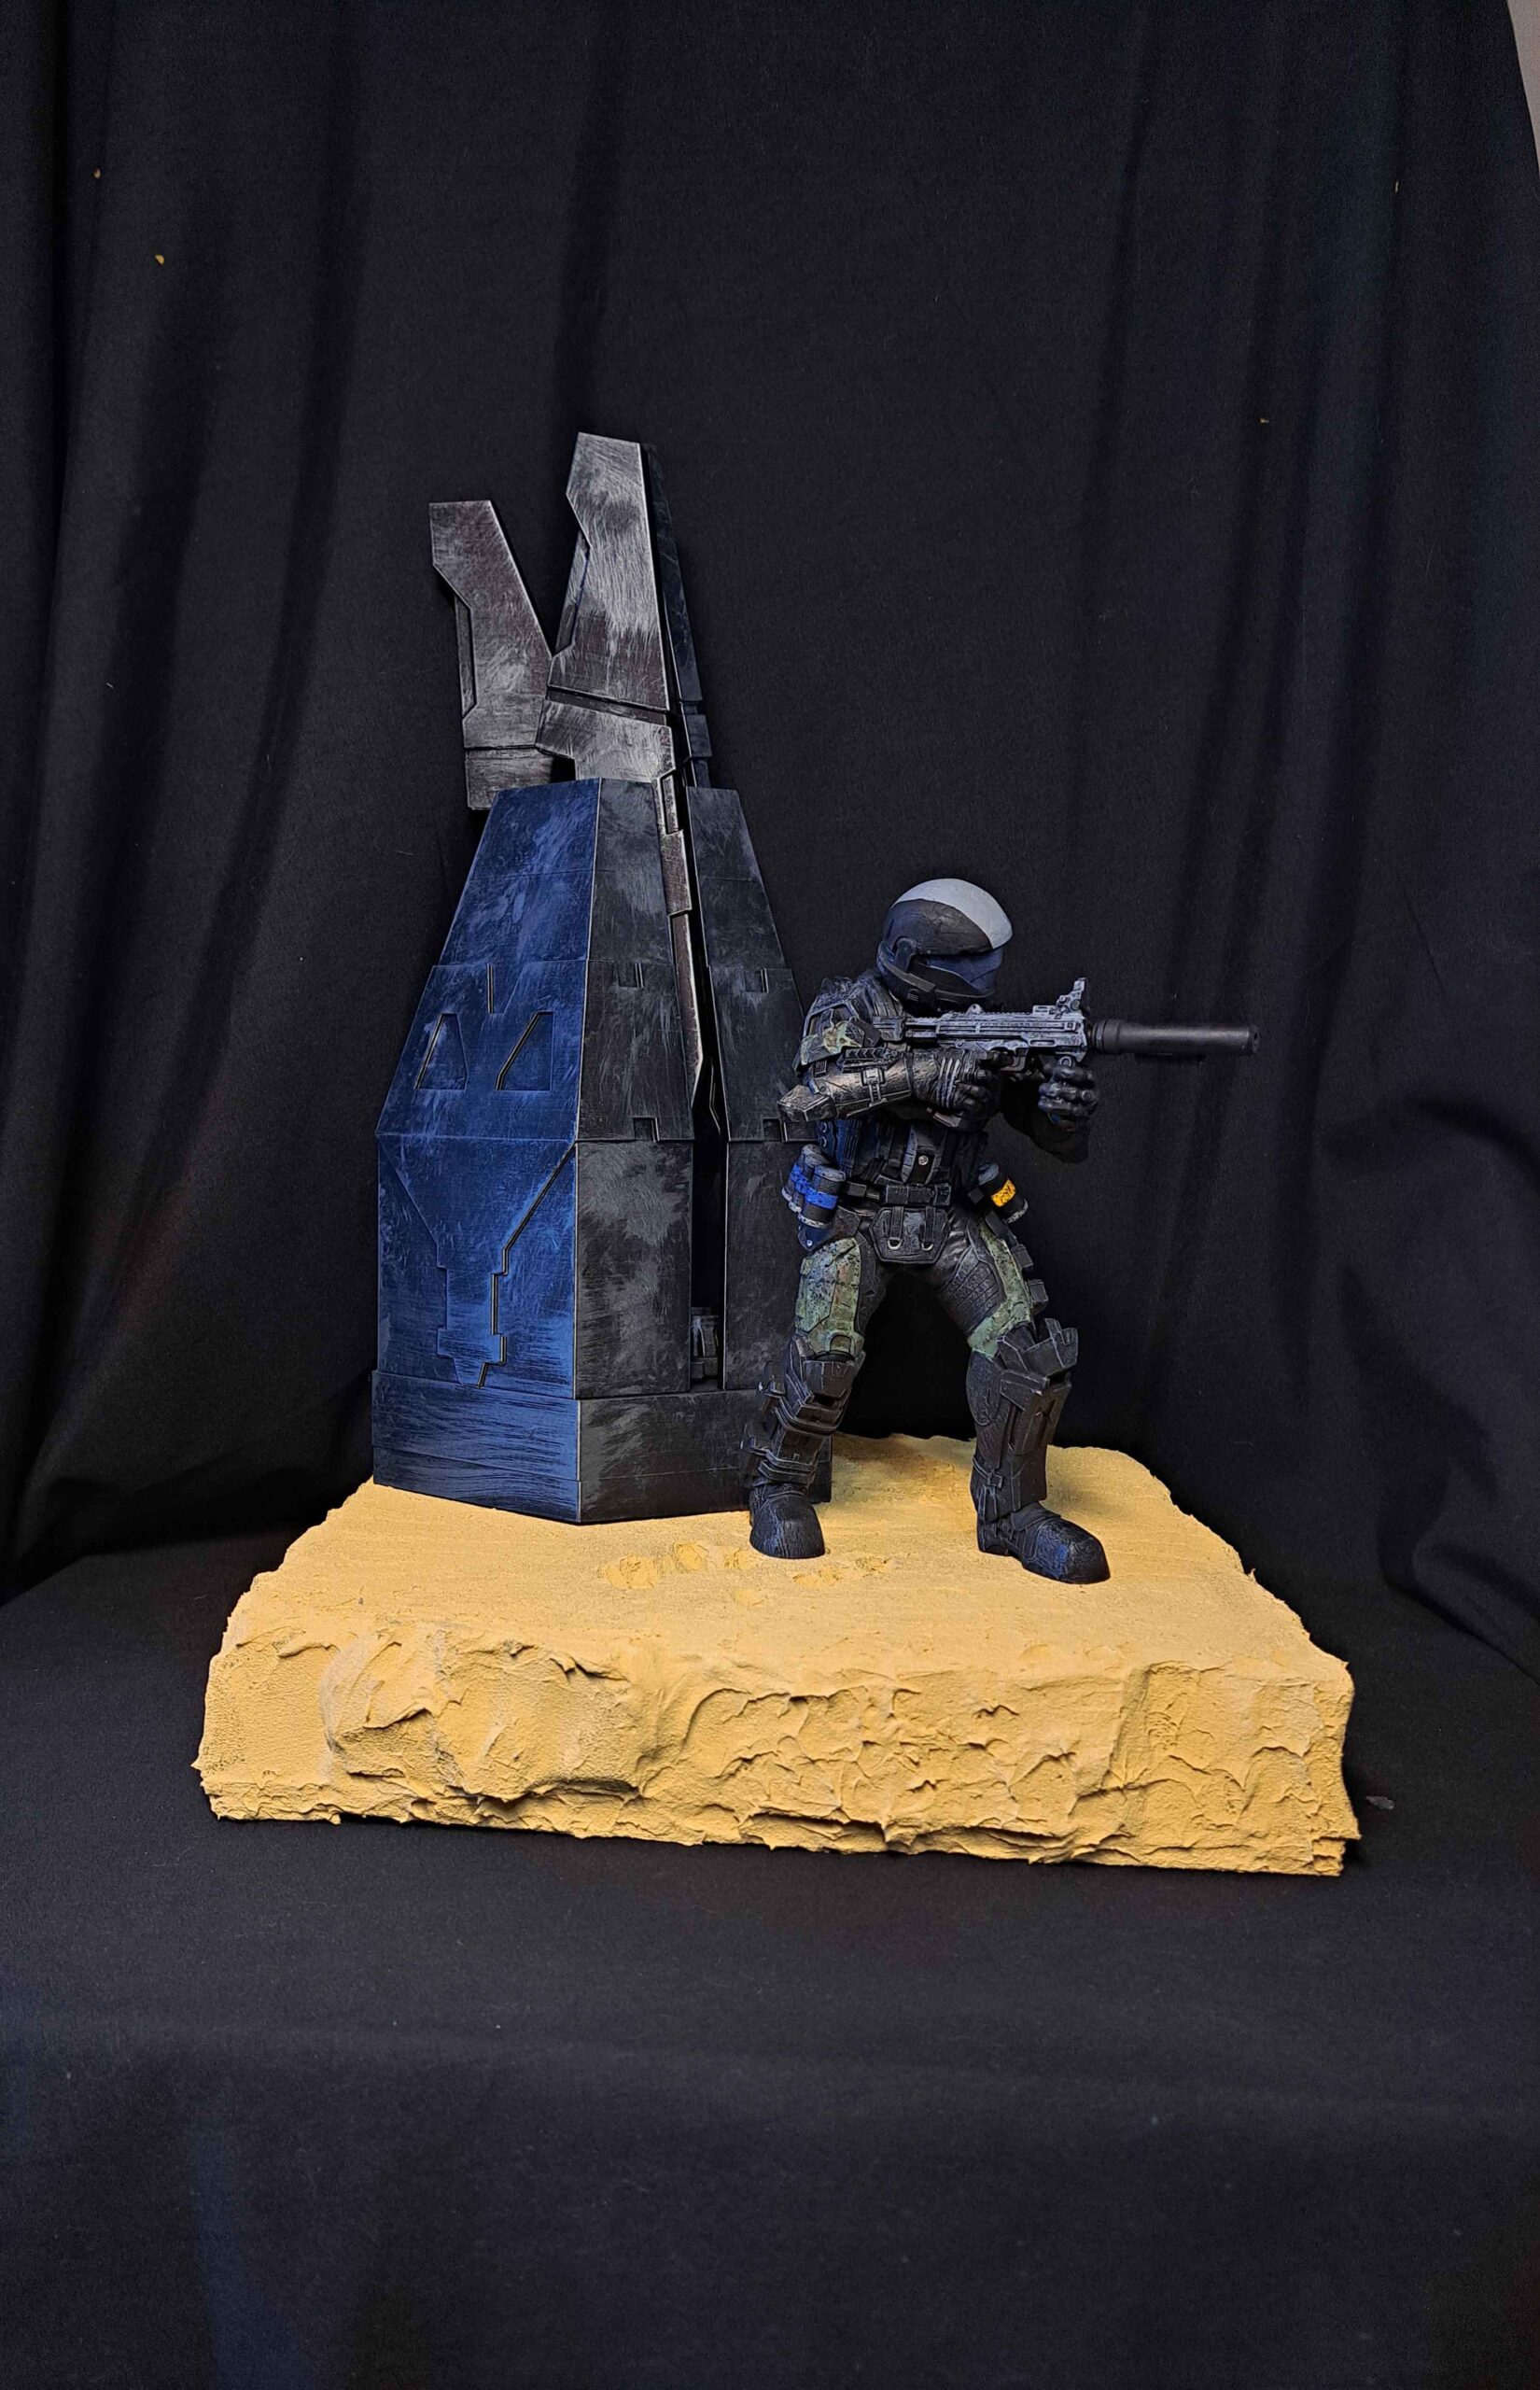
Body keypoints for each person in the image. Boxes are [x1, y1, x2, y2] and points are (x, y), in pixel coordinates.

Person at [743, 878, 1109, 1581]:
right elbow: (805, 1097)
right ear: (914, 958)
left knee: (1026, 1354)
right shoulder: (847, 1007)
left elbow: (1053, 1137)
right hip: (857, 1212)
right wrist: (919, 1076)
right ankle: (777, 1483)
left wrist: (1062, 1113)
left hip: (950, 1214)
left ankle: (1011, 1514)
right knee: (825, 1359)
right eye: (968, 965)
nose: (984, 979)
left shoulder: (984, 1026)